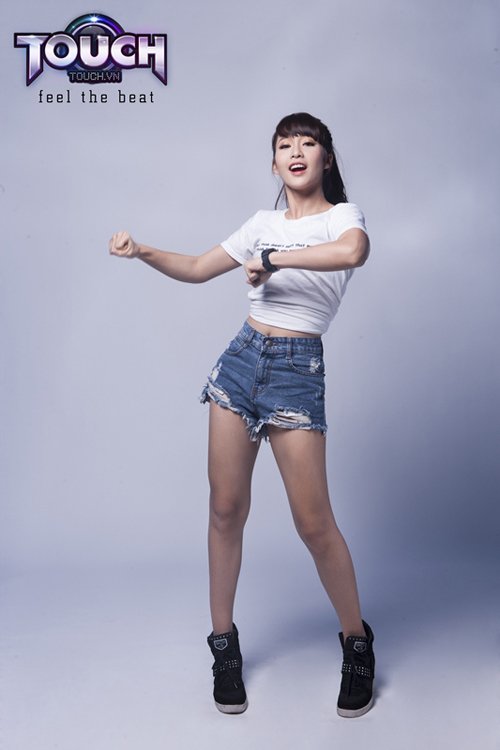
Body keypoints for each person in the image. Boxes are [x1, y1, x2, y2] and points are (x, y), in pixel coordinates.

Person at [109, 112, 375, 718]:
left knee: (314, 524)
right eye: (285, 145)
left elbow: (353, 251)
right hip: (241, 360)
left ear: (327, 157)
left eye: (308, 143)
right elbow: (198, 269)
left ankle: (357, 642)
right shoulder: (260, 223)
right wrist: (141, 250)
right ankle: (223, 645)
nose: (296, 151)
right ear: (274, 163)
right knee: (225, 509)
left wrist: (275, 260)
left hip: (296, 370)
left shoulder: (342, 217)